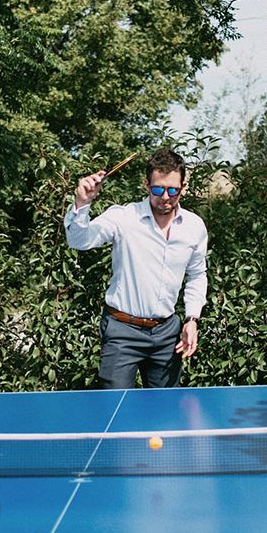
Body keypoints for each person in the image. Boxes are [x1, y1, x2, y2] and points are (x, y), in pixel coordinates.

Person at [65, 148, 207, 389]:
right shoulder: (124, 217)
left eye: (173, 190)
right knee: (116, 414)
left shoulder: (194, 226)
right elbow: (79, 241)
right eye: (157, 189)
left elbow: (197, 274)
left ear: (184, 186)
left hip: (167, 334)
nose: (165, 196)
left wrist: (192, 319)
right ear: (146, 185)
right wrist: (82, 203)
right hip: (122, 331)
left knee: (165, 414)